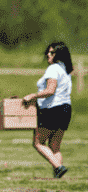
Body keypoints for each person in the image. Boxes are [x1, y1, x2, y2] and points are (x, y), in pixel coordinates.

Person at [23, 41, 73, 179]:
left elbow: (50, 90)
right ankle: (58, 178)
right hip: (66, 109)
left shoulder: (53, 69)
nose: (48, 55)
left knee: (38, 142)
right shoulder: (65, 69)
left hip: (53, 109)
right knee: (54, 146)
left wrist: (33, 95)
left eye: (52, 53)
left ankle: (58, 167)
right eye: (48, 52)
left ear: (59, 55)